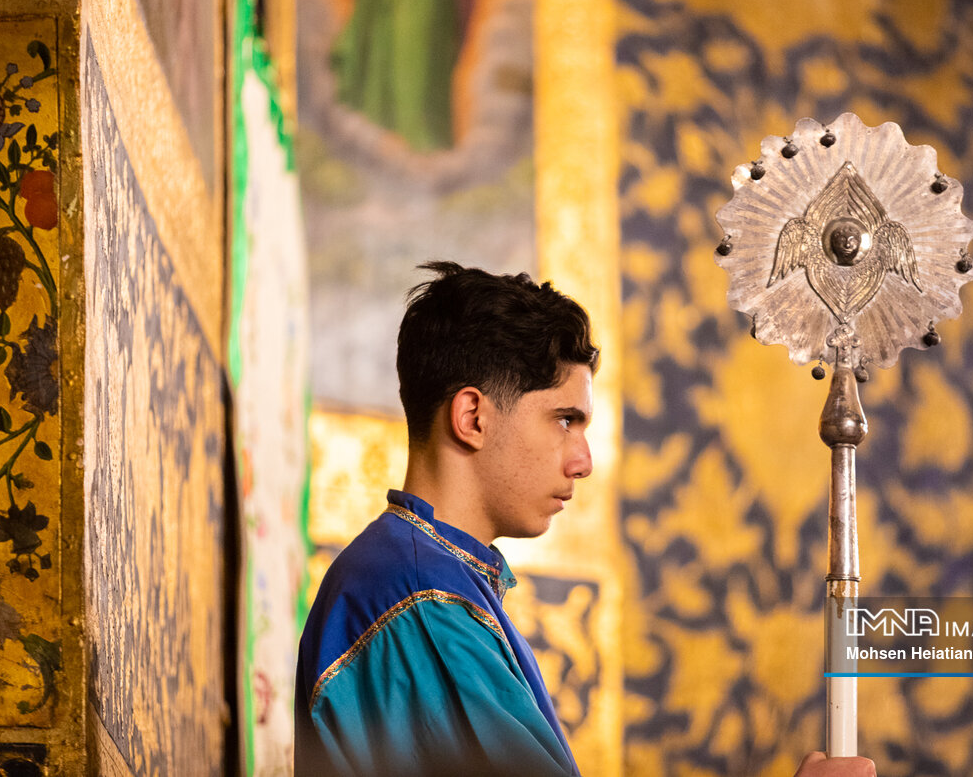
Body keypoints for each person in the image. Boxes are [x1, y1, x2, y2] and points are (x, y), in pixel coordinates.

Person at [294, 261, 877, 777]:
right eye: (564, 420)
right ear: (472, 417)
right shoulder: (420, 599)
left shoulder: (428, 577)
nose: (583, 461)